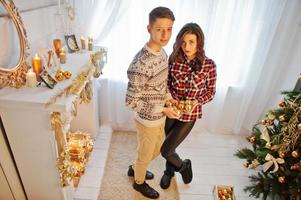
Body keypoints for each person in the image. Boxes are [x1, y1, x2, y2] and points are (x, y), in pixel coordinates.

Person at [125, 7, 179, 199]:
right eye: (159, 29)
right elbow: (131, 102)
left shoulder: (162, 53)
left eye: (169, 29)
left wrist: (168, 98)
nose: (165, 35)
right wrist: (162, 108)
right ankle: (139, 183)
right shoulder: (140, 64)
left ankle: (135, 167)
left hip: (159, 117)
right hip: (146, 121)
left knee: (158, 150)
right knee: (146, 154)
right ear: (149, 29)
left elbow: (160, 84)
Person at [159, 23, 217, 189]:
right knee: (171, 145)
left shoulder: (209, 65)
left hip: (190, 114)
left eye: (191, 42)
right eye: (183, 42)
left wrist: (196, 101)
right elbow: (166, 83)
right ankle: (170, 171)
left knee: (166, 150)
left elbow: (211, 92)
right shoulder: (174, 59)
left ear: (199, 42)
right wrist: (170, 96)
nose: (186, 47)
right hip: (171, 109)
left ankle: (184, 167)